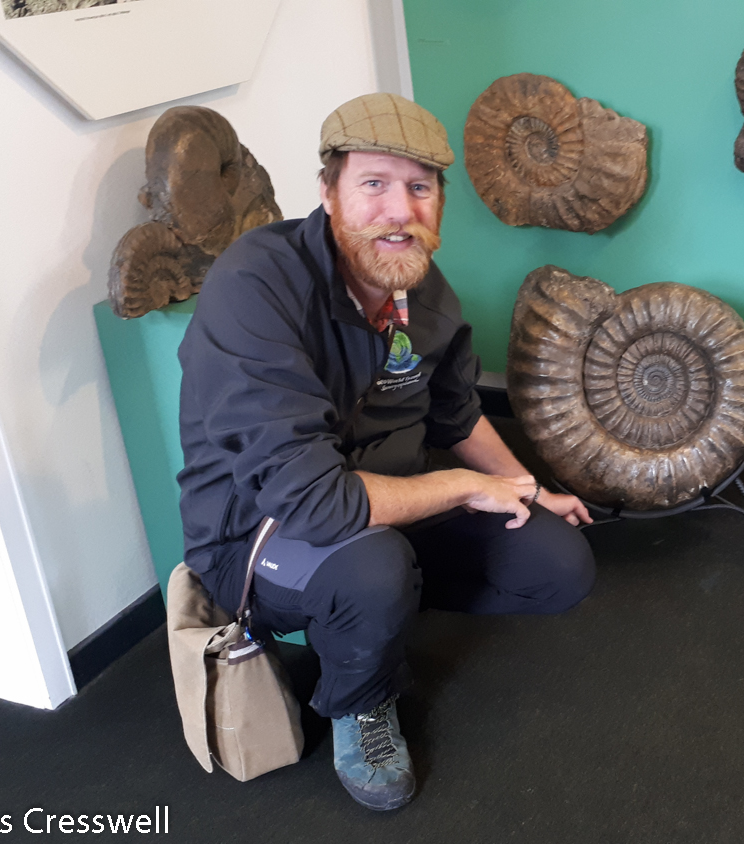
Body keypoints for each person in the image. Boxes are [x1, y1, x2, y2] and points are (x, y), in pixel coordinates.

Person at [176, 93, 596, 811]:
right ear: (329, 194)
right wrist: (467, 488)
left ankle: (370, 617)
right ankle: (359, 702)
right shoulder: (257, 286)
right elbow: (317, 503)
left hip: (386, 504)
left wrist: (525, 484)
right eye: (373, 184)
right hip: (258, 533)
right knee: (371, 566)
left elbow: (456, 412)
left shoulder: (421, 290)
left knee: (557, 564)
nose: (398, 209)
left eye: (419, 188)